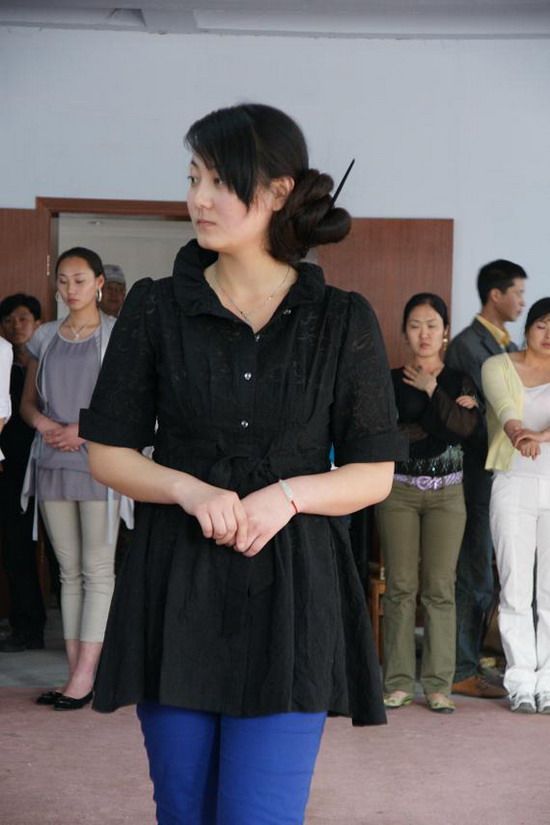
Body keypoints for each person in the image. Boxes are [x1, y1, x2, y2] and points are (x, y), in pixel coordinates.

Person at [79, 102, 407, 824]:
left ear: (280, 191)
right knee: (183, 810)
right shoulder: (156, 308)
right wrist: (189, 488)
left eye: (219, 179)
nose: (197, 197)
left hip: (293, 591)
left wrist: (286, 495)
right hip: (177, 584)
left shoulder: (341, 318)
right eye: (193, 176)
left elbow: (372, 472)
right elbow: (107, 452)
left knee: (261, 812)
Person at [20, 247, 131, 710]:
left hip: (99, 461)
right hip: (50, 461)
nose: (70, 289)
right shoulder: (44, 337)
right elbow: (27, 403)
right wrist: (47, 427)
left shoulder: (116, 334)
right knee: (68, 574)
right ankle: (76, 675)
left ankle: (85, 678)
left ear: (100, 283)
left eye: (80, 280)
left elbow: (130, 402)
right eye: (63, 281)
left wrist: (81, 429)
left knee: (98, 571)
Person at [376, 293, 480, 714]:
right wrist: (442, 419)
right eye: (415, 324)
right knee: (400, 588)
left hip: (448, 494)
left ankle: (438, 685)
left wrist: (433, 391)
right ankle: (398, 682)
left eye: (432, 324)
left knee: (440, 589)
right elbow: (389, 435)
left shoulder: (459, 379)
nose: (424, 333)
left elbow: (463, 433)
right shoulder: (387, 379)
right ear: (404, 331)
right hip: (397, 492)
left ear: (445, 332)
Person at [446, 259, 527, 699]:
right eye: (517, 292)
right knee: (474, 569)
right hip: (476, 471)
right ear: (495, 295)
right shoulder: (470, 346)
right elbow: (496, 405)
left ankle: (475, 658)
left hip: (501, 471)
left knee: (489, 571)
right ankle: (461, 667)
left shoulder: (506, 343)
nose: (521, 301)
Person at [482, 297, 550, 714]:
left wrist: (539, 438)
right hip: (513, 484)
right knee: (515, 586)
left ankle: (549, 679)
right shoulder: (498, 365)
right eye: (543, 324)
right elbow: (505, 408)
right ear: (528, 328)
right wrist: (518, 431)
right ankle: (521, 679)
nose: (549, 334)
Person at [0, 294, 46, 653]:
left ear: (38, 324)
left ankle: (31, 627)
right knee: (14, 548)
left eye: (24, 319)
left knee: (29, 551)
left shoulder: (46, 364)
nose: (17, 326)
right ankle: (23, 626)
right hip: (6, 468)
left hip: (39, 467)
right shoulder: (2, 363)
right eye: (10, 320)